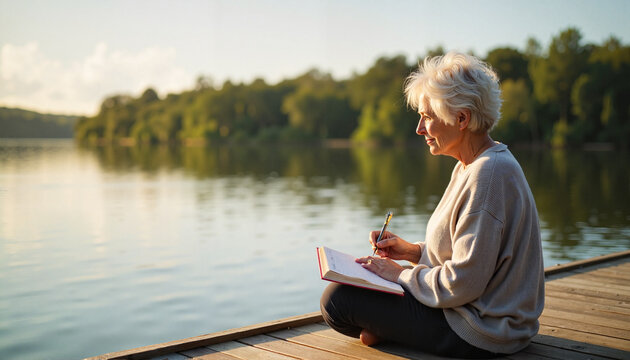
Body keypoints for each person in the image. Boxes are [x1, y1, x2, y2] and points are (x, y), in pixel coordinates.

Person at [320, 52, 545, 358]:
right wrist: (412, 252)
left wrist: (397, 274)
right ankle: (387, 331)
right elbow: (471, 255)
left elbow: (463, 282)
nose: (419, 128)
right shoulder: (471, 165)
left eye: (427, 116)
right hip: (470, 312)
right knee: (343, 298)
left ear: (461, 118)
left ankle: (387, 332)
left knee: (339, 300)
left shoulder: (489, 174)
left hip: (483, 329)